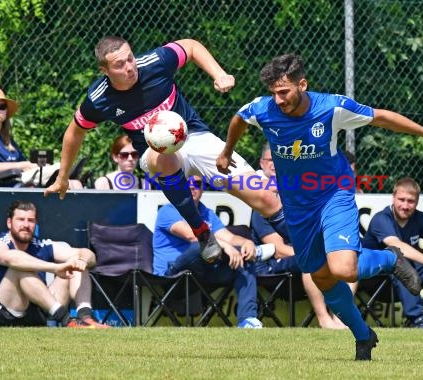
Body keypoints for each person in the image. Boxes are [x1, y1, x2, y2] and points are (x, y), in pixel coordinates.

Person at [217, 54, 423, 360]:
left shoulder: (332, 108)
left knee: (343, 268)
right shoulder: (263, 108)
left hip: (334, 196)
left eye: (284, 92)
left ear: (302, 85)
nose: (278, 100)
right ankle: (363, 336)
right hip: (298, 210)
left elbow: (381, 116)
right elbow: (239, 118)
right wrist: (227, 151)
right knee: (322, 277)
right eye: (274, 93)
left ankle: (388, 258)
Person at [44, 36, 289, 265]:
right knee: (164, 154)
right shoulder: (99, 99)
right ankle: (202, 232)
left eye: (130, 58)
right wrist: (63, 178)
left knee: (265, 197)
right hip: (153, 154)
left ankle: (305, 242)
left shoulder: (155, 63)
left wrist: (219, 74)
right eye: (119, 65)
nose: (130, 67)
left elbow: (191, 46)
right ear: (104, 71)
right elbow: (74, 132)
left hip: (195, 137)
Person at [252, 142, 346, 329]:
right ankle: (324, 319)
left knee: (344, 257)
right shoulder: (262, 209)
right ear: (261, 164)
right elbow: (279, 250)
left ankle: (342, 317)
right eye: (269, 160)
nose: (273, 164)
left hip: (299, 258)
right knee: (311, 260)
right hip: (273, 265)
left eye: (277, 160)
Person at [152, 175, 262, 328]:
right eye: (186, 183)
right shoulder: (168, 210)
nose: (192, 186)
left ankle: (247, 320)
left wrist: (247, 242)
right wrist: (224, 246)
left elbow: (228, 237)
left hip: (203, 273)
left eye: (197, 183)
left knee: (245, 258)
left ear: (203, 189)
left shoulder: (207, 213)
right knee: (199, 246)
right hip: (174, 276)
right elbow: (192, 236)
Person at [0, 200, 108, 328]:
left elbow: (87, 254)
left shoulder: (40, 245)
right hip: (1, 317)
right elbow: (12, 259)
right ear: (9, 223)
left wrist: (82, 261)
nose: (26, 225)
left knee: (77, 263)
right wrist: (55, 268)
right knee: (19, 268)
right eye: (21, 219)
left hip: (35, 313)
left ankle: (86, 318)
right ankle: (67, 321)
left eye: (31, 220)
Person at [362, 177, 423, 328]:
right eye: (401, 199)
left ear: (417, 202)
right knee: (397, 259)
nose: (405, 205)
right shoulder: (381, 219)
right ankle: (418, 319)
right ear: (393, 198)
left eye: (411, 201)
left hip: (407, 279)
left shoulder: (420, 218)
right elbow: (398, 246)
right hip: (375, 281)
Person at [0, 88, 82, 189]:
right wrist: (25, 165)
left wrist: (30, 165)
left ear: (6, 110)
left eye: (2, 106)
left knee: (74, 183)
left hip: (20, 178)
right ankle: (64, 170)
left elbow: (23, 163)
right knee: (59, 169)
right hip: (4, 184)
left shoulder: (6, 138)